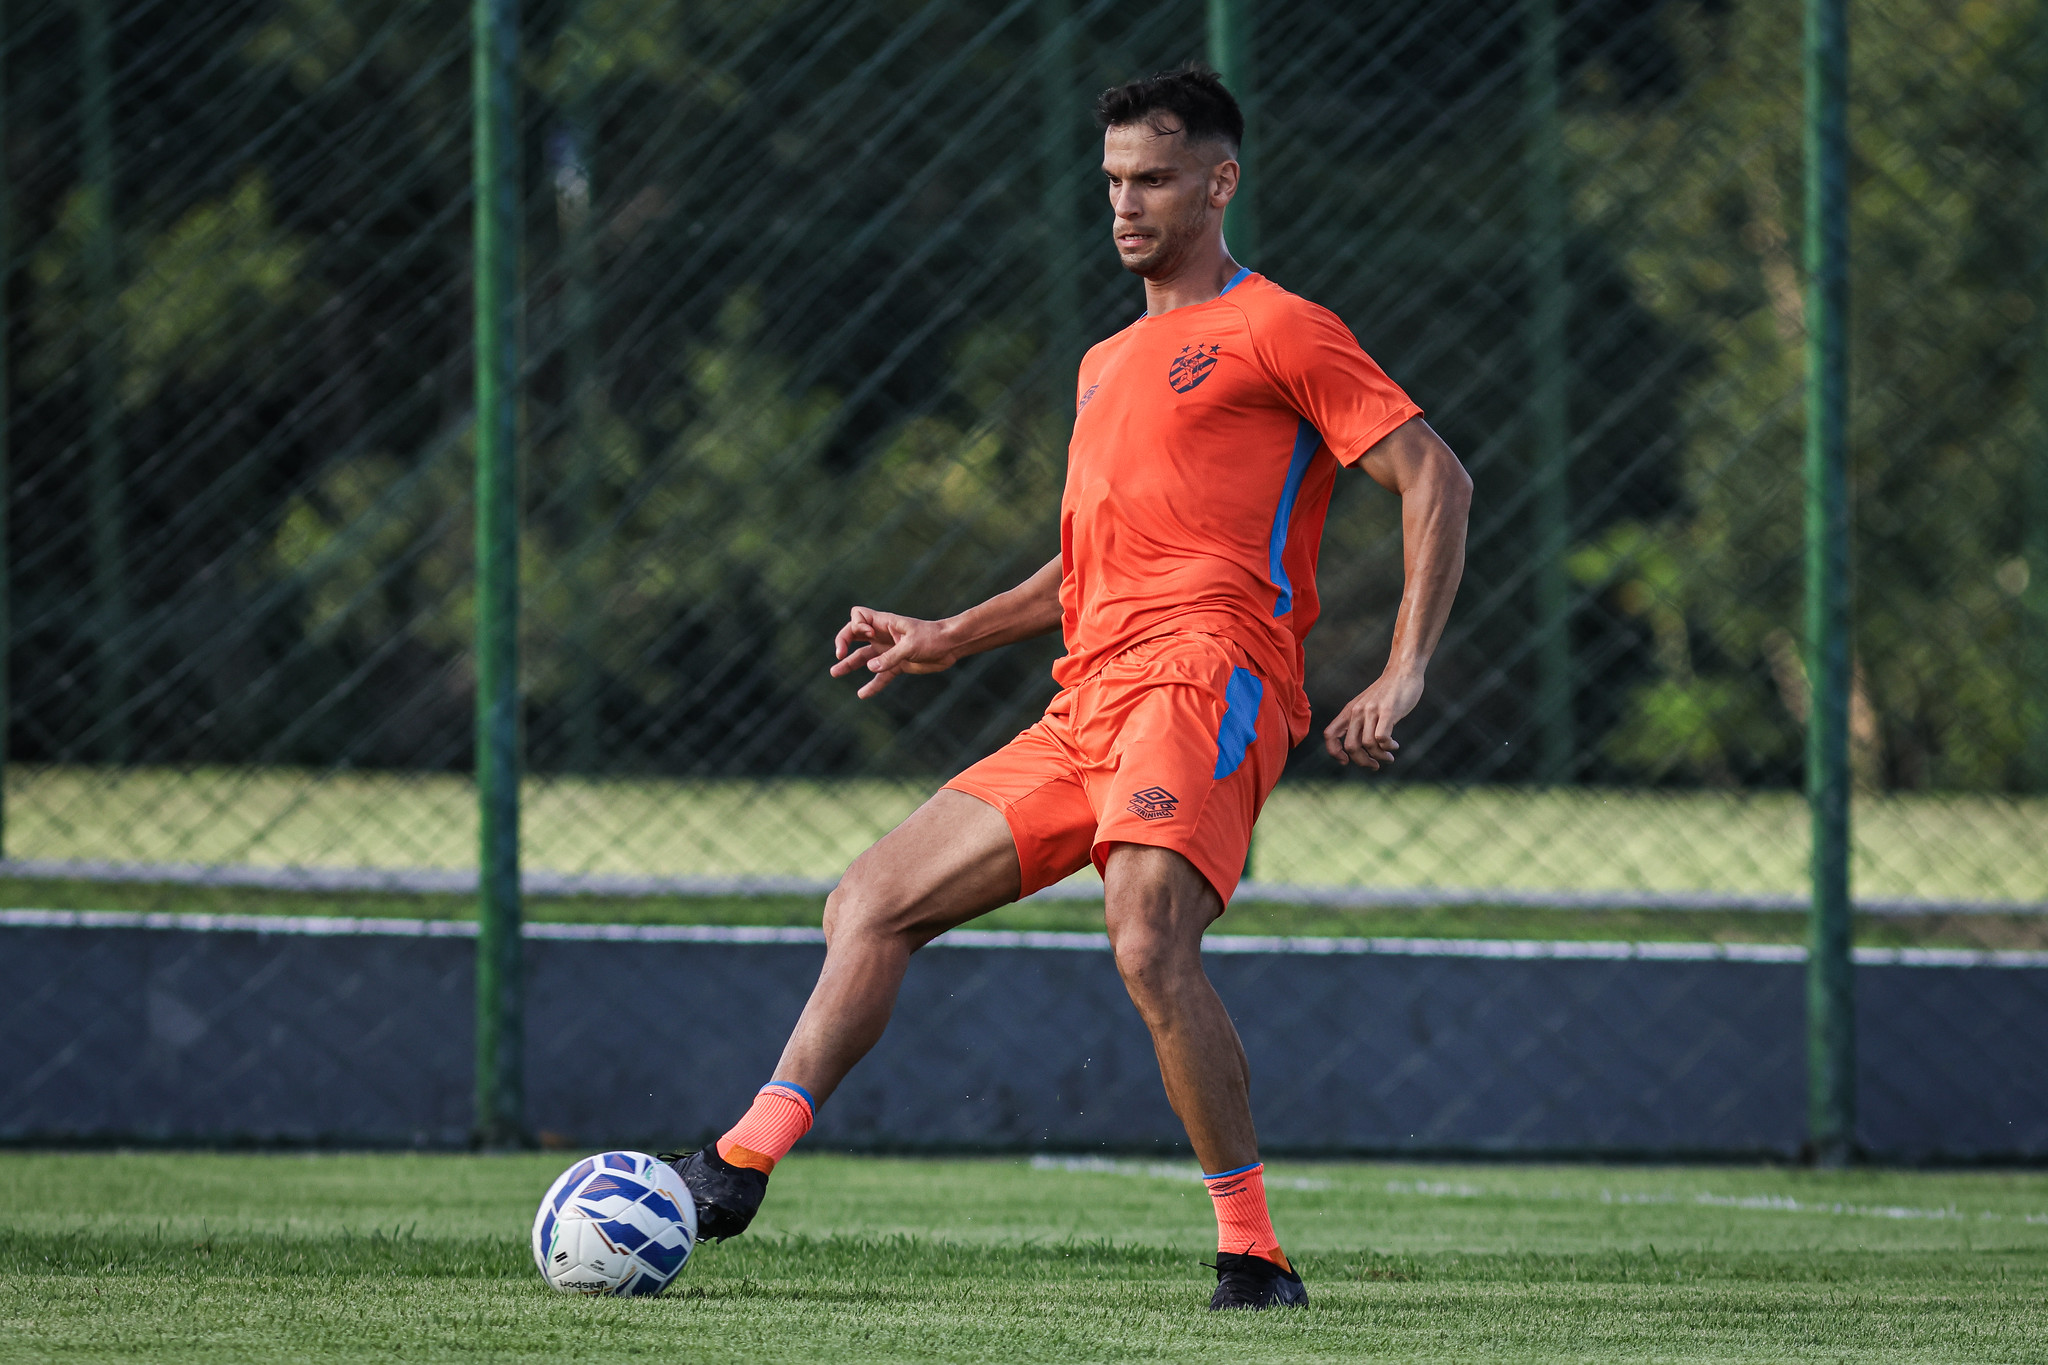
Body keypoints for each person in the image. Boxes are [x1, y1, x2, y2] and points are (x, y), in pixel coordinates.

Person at [669, 63, 1471, 1311]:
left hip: (1207, 676)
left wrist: (1403, 667)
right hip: (1084, 700)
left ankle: (1250, 1255)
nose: (1124, 206)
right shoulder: (1106, 360)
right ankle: (736, 1168)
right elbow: (1087, 564)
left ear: (1220, 182)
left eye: (1151, 180)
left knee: (1148, 942)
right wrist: (946, 635)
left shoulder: (1280, 329)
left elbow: (1435, 479)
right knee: (870, 899)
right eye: (1110, 183)